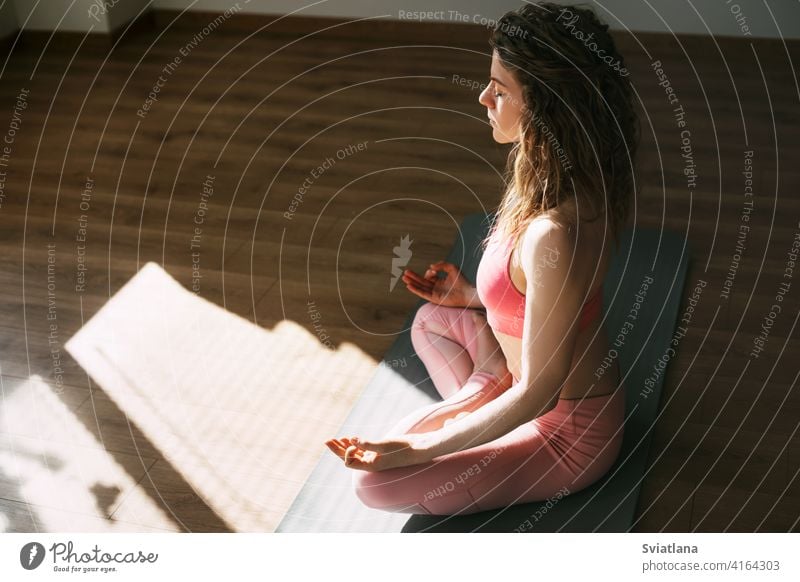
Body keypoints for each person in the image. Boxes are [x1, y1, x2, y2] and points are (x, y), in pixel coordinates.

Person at [325, 1, 639, 515]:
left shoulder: (555, 233)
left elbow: (541, 391)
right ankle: (483, 397)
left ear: (544, 108)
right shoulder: (561, 173)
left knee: (377, 486)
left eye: (500, 88)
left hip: (566, 431)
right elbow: (545, 299)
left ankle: (480, 403)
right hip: (527, 380)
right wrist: (472, 297)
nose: (482, 96)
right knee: (432, 319)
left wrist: (421, 448)